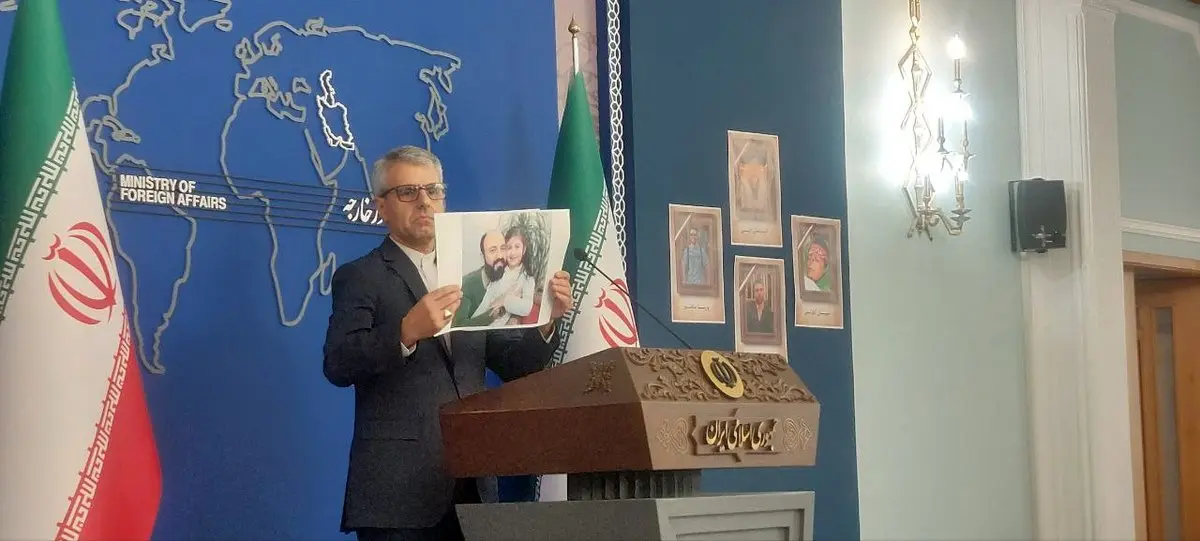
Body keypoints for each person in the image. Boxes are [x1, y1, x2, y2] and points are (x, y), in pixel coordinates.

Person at [322, 145, 574, 541]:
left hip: (473, 481)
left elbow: (515, 365)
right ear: (381, 207)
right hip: (397, 492)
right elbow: (338, 363)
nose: (424, 201)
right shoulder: (361, 275)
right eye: (407, 192)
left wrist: (548, 319)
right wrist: (405, 332)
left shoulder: (472, 276)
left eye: (433, 191)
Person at [470, 226, 536, 326]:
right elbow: (485, 303)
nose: (513, 252)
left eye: (517, 247)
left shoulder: (527, 278)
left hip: (502, 330)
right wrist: (474, 323)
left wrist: (505, 300)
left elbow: (527, 308)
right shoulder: (499, 272)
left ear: (524, 249)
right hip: (485, 324)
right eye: (508, 248)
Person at [453, 229, 506, 328]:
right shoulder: (467, 284)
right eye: (492, 250)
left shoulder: (512, 275)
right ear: (483, 256)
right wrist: (493, 314)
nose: (499, 255)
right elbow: (459, 326)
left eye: (503, 248)